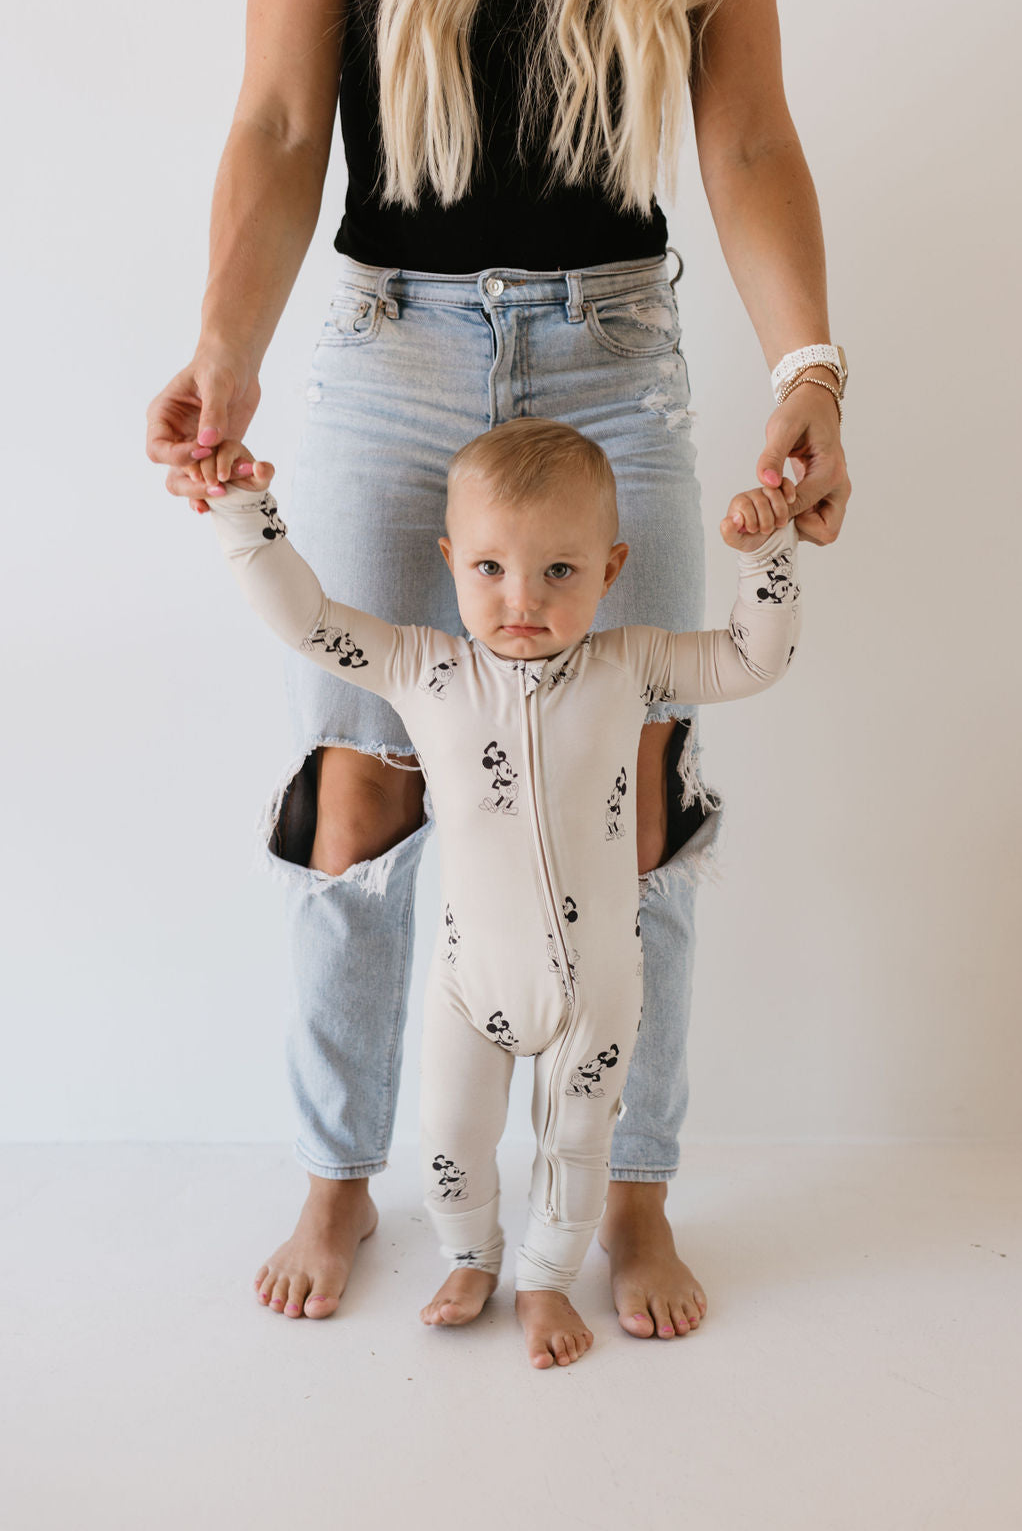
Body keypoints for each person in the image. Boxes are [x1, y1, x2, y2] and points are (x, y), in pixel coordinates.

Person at [146, 0, 850, 1335]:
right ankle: (340, 1175)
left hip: (615, 349)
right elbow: (288, 119)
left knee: (642, 795)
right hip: (389, 349)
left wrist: (809, 370)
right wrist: (224, 349)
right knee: (355, 789)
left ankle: (634, 1193)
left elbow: (748, 137)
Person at [197, 417, 803, 1367]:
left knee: (574, 1148)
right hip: (466, 988)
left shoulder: (628, 664)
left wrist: (769, 552)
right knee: (451, 1138)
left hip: (596, 994)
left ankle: (547, 1282)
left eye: (560, 571)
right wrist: (243, 511)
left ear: (612, 567)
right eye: (490, 569)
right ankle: (471, 1255)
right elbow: (306, 618)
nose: (522, 599)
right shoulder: (421, 668)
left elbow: (751, 658)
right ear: (450, 562)